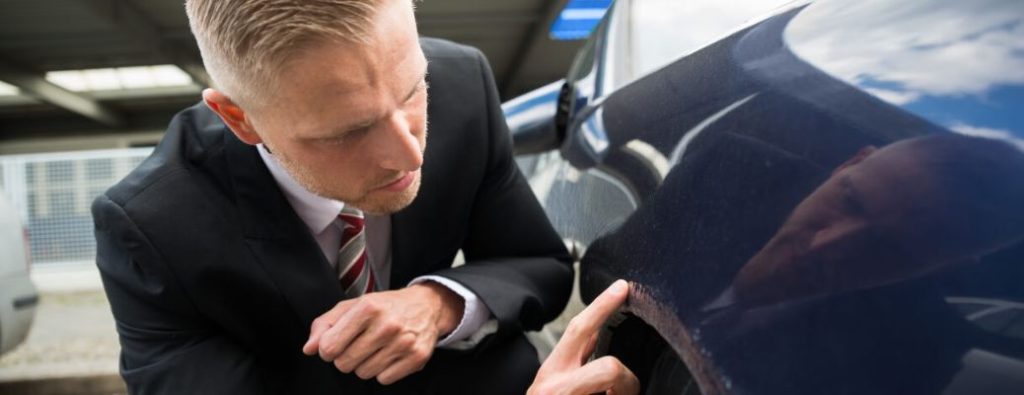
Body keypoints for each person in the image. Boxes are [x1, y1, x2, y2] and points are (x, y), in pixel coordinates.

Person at [91, 0, 574, 393]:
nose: (409, 155)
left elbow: (539, 264)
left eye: (412, 92)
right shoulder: (149, 226)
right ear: (240, 119)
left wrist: (438, 303)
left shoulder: (464, 84)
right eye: (350, 131)